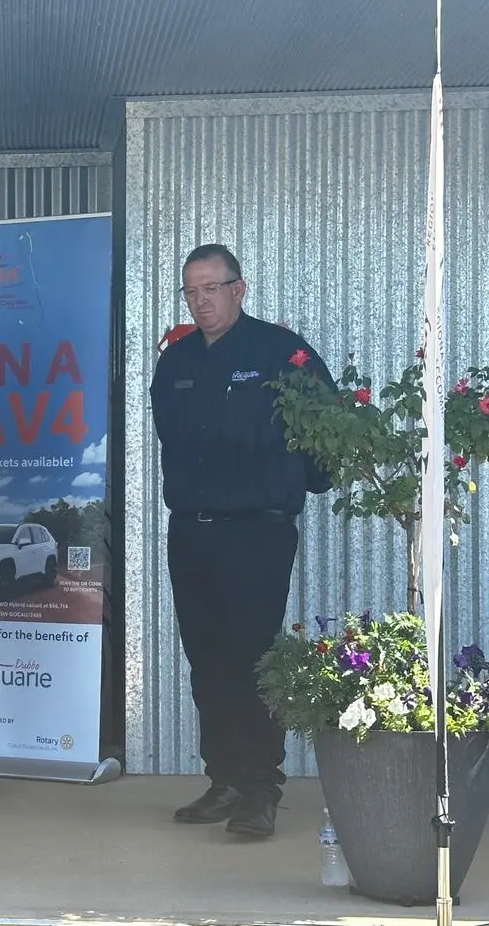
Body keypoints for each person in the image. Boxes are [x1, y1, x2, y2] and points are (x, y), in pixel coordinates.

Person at [149, 244, 334, 838]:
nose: (201, 301)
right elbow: (167, 439)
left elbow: (324, 429)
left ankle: (261, 788)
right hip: (192, 532)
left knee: (253, 658)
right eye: (191, 291)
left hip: (257, 531)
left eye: (211, 288)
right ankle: (224, 778)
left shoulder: (282, 352)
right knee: (207, 659)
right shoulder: (174, 361)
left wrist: (293, 486)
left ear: (239, 288)